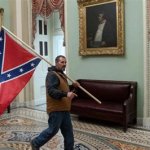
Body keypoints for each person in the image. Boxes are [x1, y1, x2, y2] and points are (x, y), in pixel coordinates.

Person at [30, 55, 79, 150]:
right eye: (62, 62)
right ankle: (36, 142)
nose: (64, 64)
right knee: (52, 130)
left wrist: (74, 87)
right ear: (56, 62)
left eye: (65, 62)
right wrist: (66, 94)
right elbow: (52, 91)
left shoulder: (61, 74)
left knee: (68, 132)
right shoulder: (52, 74)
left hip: (65, 109)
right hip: (56, 109)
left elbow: (64, 89)